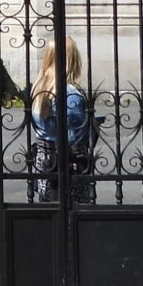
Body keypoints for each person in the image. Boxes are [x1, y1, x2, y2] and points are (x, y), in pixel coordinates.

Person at [29, 34, 93, 204]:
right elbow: (73, 136)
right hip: (67, 164)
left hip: (45, 161)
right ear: (73, 61)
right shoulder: (69, 93)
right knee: (71, 218)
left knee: (49, 216)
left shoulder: (39, 88)